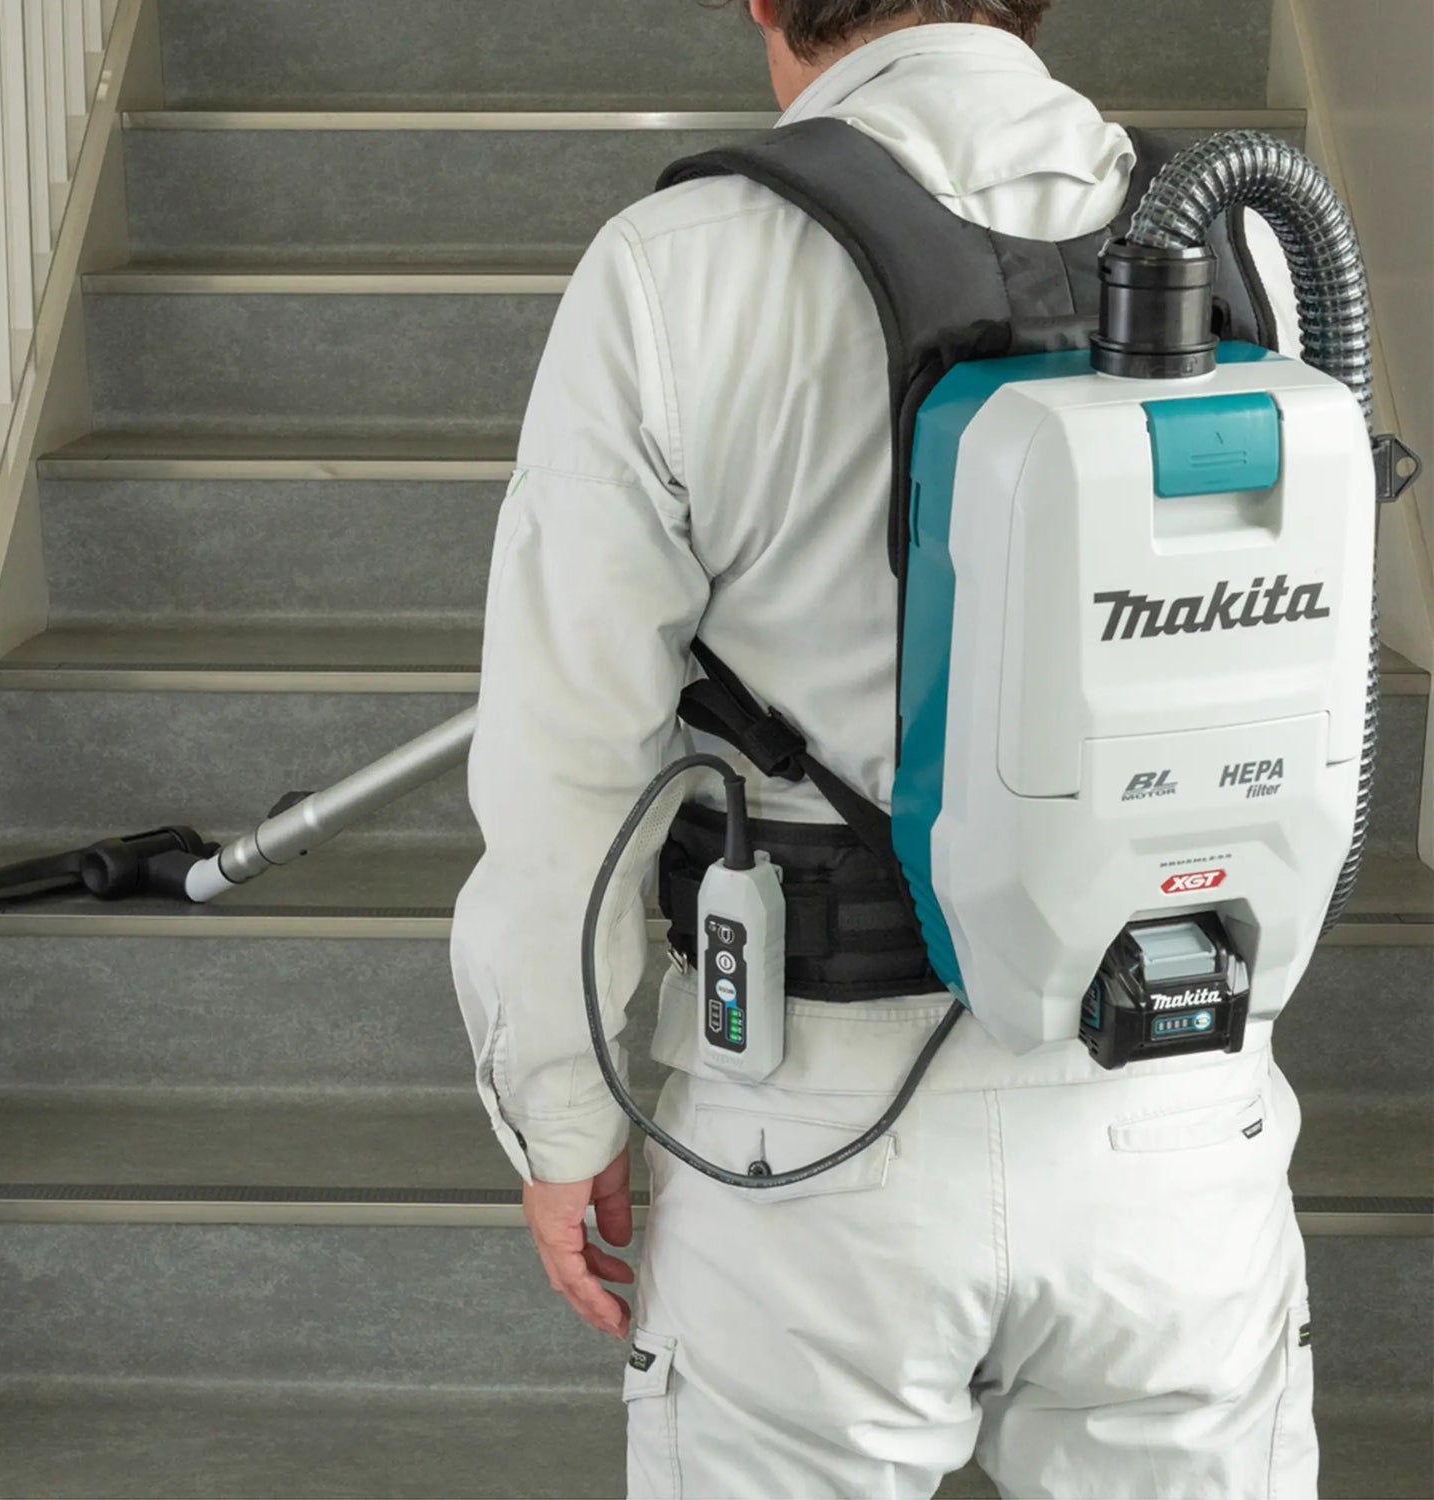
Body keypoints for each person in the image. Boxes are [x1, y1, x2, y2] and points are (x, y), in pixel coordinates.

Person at [452, 2, 1316, 1495]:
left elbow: (564, 762)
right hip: (1176, 1111)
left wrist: (563, 1108)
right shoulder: (1246, 244)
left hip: (814, 1147)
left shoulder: (680, 268)